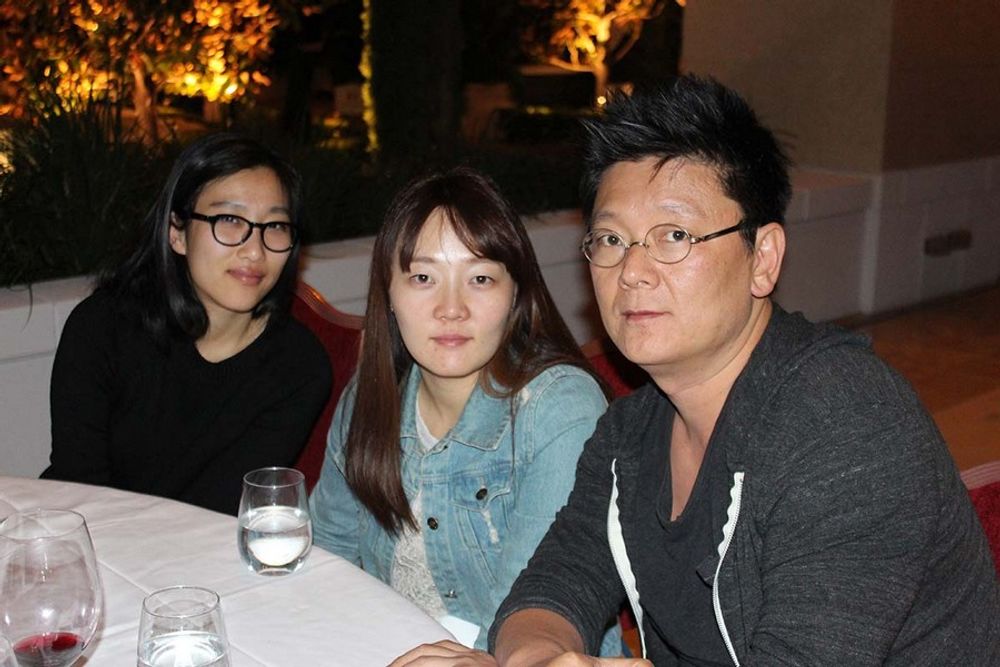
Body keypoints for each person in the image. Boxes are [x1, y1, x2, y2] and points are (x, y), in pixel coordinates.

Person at [411, 76, 1000, 666]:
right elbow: (554, 585)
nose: (633, 270)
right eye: (612, 239)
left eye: (674, 235)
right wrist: (538, 659)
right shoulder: (631, 431)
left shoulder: (848, 424)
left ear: (762, 259)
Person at [309, 167, 617, 654]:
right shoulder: (370, 400)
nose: (450, 308)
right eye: (424, 277)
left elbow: (529, 614)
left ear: (515, 293)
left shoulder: (557, 413)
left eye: (479, 278)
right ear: (388, 292)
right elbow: (329, 554)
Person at [42, 133, 332, 516]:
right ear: (176, 232)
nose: (254, 250)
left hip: (195, 553)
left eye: (275, 227)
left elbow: (219, 514)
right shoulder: (102, 327)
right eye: (229, 220)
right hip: (84, 535)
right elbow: (79, 485)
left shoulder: (298, 367)